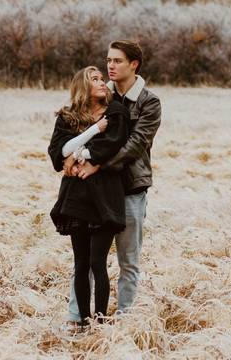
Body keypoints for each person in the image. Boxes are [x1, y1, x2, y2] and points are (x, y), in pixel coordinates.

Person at [67, 40, 162, 324]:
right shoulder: (99, 95)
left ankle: (125, 319)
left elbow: (136, 143)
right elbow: (77, 128)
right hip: (95, 190)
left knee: (128, 259)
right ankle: (76, 316)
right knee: (84, 259)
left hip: (131, 188)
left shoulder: (149, 101)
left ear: (134, 64)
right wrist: (71, 159)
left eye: (118, 61)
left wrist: (97, 163)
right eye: (108, 60)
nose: (110, 65)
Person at [48, 66, 131, 331]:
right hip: (76, 197)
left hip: (105, 195)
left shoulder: (116, 112)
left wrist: (79, 155)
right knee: (81, 262)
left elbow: (111, 145)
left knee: (98, 262)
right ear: (83, 85)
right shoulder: (68, 116)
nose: (102, 82)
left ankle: (101, 321)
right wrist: (74, 151)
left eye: (101, 79)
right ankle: (82, 322)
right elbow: (57, 151)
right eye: (94, 79)